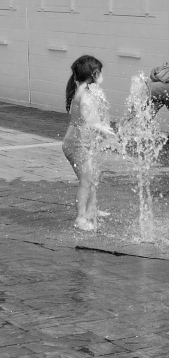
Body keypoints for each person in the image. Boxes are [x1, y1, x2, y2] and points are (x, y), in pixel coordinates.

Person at [63, 55, 117, 231]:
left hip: (80, 142)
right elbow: (87, 118)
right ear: (94, 74)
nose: (102, 76)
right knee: (86, 179)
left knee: (92, 176)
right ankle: (80, 218)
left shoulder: (85, 90)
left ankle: (92, 209)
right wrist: (102, 128)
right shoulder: (83, 94)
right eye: (100, 73)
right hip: (75, 144)